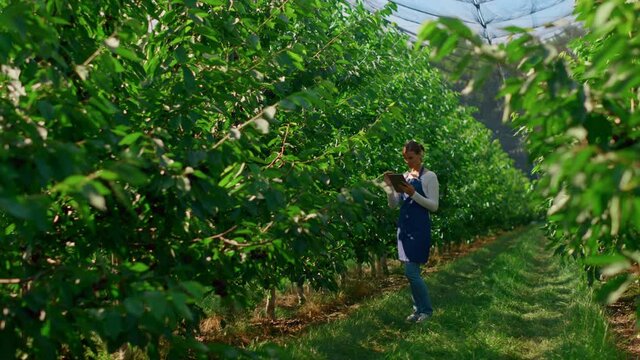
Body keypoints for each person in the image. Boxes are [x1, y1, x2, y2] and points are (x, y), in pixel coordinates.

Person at [383, 140, 439, 323]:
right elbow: (393, 205)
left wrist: (414, 193)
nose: (408, 161)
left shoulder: (430, 177)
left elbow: (434, 206)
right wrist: (389, 187)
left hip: (419, 229)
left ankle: (426, 311)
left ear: (420, 154)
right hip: (404, 229)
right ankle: (417, 311)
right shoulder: (405, 177)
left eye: (411, 157)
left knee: (411, 272)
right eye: (405, 158)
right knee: (410, 272)